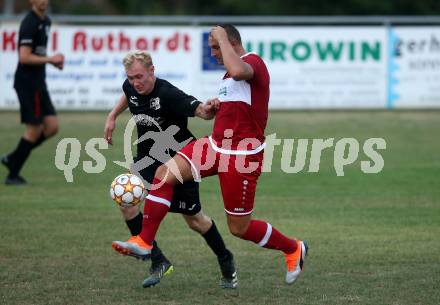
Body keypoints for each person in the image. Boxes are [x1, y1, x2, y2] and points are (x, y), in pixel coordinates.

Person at [112, 24, 308, 285]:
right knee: (163, 173)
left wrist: (221, 38)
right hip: (215, 146)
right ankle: (145, 241)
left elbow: (240, 71)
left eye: (215, 47)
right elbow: (236, 106)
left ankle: (293, 248)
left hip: (242, 156)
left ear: (230, 42)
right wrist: (217, 104)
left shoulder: (252, 62)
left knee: (239, 228)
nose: (214, 53)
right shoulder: (228, 76)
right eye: (212, 48)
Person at [104, 51, 237, 288]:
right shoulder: (131, 86)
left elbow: (200, 111)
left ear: (152, 71)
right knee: (127, 201)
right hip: (147, 158)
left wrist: (210, 107)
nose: (135, 82)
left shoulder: (167, 93)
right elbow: (128, 94)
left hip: (180, 161)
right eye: (131, 77)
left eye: (140, 77)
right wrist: (113, 115)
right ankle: (157, 261)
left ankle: (225, 258)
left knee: (195, 221)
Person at [1, 0, 64, 185]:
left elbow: (38, 52)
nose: (43, 0)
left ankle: (13, 157)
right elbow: (24, 57)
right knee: (35, 129)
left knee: (52, 127)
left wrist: (51, 61)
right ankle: (13, 174)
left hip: (38, 82)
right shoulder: (29, 22)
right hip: (27, 83)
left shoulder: (46, 21)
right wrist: (50, 59)